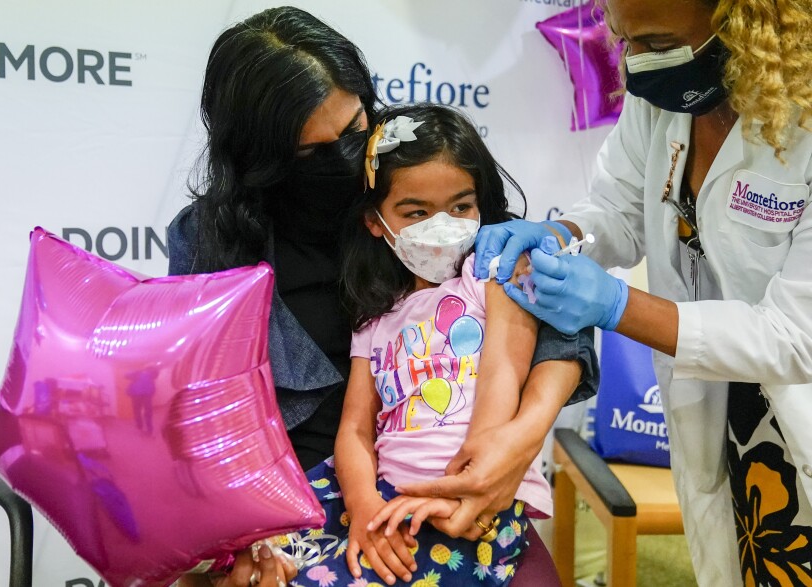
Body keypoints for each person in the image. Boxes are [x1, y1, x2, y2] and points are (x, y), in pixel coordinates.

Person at [170, 7, 597, 586]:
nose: (344, 159)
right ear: (259, 156)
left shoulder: (410, 171)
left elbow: (554, 318)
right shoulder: (210, 244)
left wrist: (517, 441)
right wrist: (245, 538)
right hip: (297, 496)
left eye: (353, 129)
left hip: (456, 485)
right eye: (309, 151)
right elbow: (210, 415)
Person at [470, 0, 812, 584]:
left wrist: (617, 305)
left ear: (745, 24)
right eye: (625, 39)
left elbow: (795, 339)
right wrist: (563, 233)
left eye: (656, 43)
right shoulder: (665, 94)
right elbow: (619, 210)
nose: (634, 65)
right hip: (723, 414)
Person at [287, 103, 596, 587]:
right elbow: (355, 429)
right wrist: (365, 504)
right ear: (375, 221)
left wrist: (468, 478)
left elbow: (503, 373)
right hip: (388, 494)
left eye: (460, 207)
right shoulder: (375, 315)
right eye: (416, 212)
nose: (443, 224)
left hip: (480, 493)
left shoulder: (491, 274)